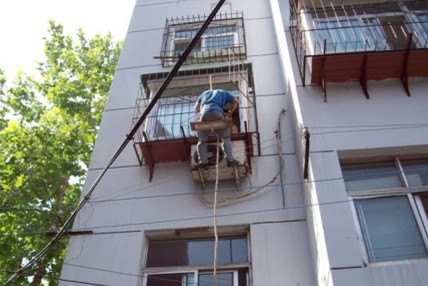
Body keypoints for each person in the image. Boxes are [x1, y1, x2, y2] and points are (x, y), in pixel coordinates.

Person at [194, 89, 239, 168]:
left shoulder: (204, 93)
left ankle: (203, 162)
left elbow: (196, 109)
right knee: (225, 138)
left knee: (201, 140)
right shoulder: (223, 92)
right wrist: (229, 114)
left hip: (204, 114)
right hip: (217, 113)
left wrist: (203, 110)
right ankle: (230, 160)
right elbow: (235, 101)